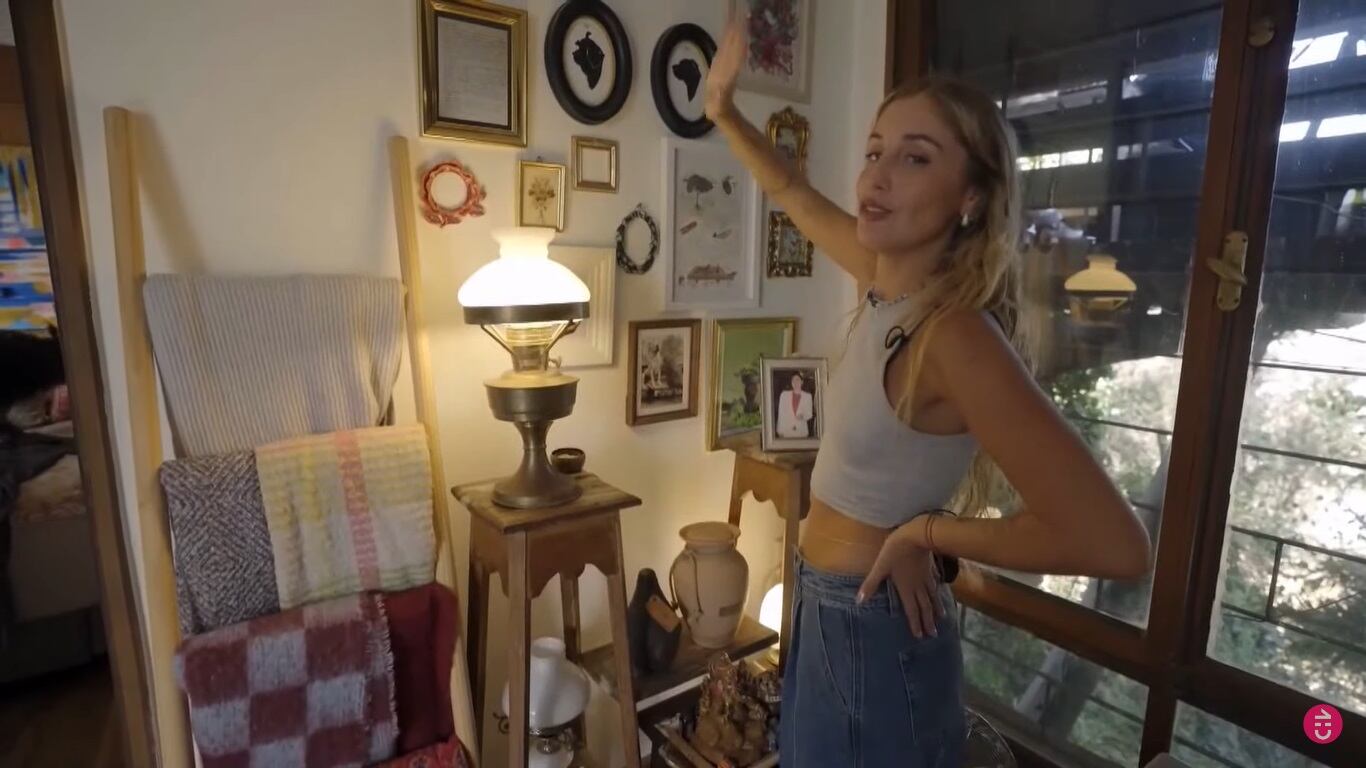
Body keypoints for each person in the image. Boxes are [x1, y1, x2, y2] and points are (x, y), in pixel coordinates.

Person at [705, 11, 1151, 766]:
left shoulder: (956, 337)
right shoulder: (888, 287)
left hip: (872, 632)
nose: (875, 176)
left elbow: (1114, 541)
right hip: (829, 609)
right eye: (875, 151)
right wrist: (723, 109)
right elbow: (789, 188)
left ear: (970, 197)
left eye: (915, 158)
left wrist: (928, 535)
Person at [776, 371, 814, 438]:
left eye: (797, 380)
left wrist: (803, 416)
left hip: (801, 432)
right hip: (786, 432)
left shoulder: (808, 396)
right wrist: (779, 431)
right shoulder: (784, 395)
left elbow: (809, 414)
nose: (795, 382)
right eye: (793, 380)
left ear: (802, 382)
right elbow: (781, 414)